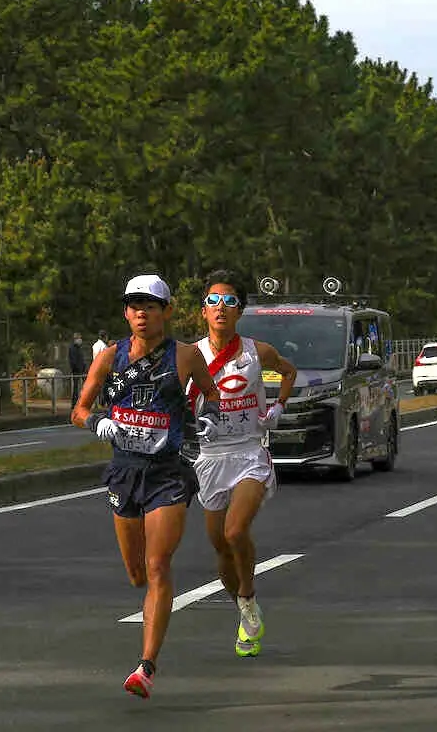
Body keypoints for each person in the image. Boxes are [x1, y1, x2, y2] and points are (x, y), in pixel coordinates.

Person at [72, 274, 222, 699]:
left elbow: (211, 395)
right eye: (134, 306)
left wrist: (209, 418)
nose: (141, 313)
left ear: (166, 312)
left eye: (150, 306)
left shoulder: (186, 355)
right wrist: (96, 422)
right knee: (137, 573)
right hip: (124, 472)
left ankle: (146, 666)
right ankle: (148, 644)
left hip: (167, 472)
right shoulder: (110, 358)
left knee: (158, 566)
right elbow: (78, 409)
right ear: (125, 313)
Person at [184, 269, 298, 658]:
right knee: (220, 547)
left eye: (229, 301)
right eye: (213, 301)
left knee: (235, 531)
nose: (221, 307)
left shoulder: (256, 351)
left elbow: (288, 371)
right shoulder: (189, 356)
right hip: (210, 458)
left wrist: (278, 407)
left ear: (240, 310)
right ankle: (245, 611)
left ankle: (248, 595)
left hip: (249, 452)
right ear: (203, 311)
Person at [68, 332, 87, 407]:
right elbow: (73, 361)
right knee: (76, 388)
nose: (80, 340)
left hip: (81, 370)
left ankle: (80, 402)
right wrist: (78, 369)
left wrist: (84, 367)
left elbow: (81, 359)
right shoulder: (72, 348)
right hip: (76, 371)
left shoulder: (79, 348)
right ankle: (74, 403)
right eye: (79, 338)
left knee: (81, 387)